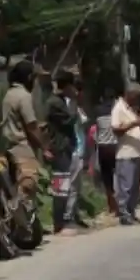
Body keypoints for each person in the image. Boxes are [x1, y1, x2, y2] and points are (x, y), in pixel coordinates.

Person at [0, 60, 50, 228]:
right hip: (22, 147)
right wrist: (45, 148)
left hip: (8, 146)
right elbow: (31, 126)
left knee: (15, 186)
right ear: (29, 77)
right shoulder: (24, 96)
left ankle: (17, 221)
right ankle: (17, 217)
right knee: (28, 183)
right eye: (34, 78)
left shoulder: (9, 94)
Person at [45, 70, 81, 236]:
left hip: (64, 147)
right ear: (66, 86)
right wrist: (74, 101)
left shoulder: (59, 101)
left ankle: (61, 221)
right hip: (59, 148)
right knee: (60, 185)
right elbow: (69, 120)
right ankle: (59, 223)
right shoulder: (55, 103)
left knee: (64, 185)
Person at [111, 82, 140, 226]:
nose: (138, 100)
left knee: (134, 187)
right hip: (125, 153)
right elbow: (116, 129)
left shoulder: (132, 109)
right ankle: (124, 214)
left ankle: (131, 212)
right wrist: (135, 123)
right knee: (125, 187)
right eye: (136, 97)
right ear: (130, 95)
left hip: (137, 152)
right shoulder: (118, 108)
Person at [63, 77, 90, 230]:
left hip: (79, 149)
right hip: (74, 149)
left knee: (76, 186)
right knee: (72, 185)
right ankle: (68, 216)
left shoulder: (76, 106)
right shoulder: (69, 105)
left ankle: (74, 213)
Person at [93, 89, 118, 214]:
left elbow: (96, 132)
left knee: (107, 178)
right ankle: (118, 204)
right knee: (118, 176)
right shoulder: (116, 111)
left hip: (103, 148)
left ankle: (111, 205)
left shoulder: (98, 112)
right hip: (115, 147)